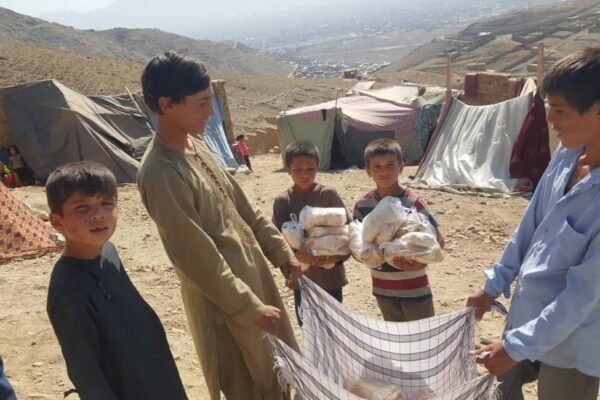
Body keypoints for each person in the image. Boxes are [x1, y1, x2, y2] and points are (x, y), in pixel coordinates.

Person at [137, 51, 301, 400]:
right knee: (249, 384)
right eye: (201, 104)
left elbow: (243, 208)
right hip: (226, 305)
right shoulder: (160, 173)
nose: (210, 113)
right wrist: (248, 308)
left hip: (254, 282)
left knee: (281, 377)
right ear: (167, 104)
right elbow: (196, 259)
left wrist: (280, 253)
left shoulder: (197, 146)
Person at [467, 47, 600, 400]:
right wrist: (493, 285)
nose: (550, 121)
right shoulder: (567, 155)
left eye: (558, 110)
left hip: (574, 345)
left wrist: (514, 347)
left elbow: (582, 295)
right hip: (526, 316)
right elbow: (531, 227)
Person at [45, 161, 187, 400]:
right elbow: (85, 371)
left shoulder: (108, 252)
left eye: (106, 203)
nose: (98, 214)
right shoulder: (68, 290)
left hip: (157, 377)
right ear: (57, 222)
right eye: (82, 207)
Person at [352, 138, 444, 322]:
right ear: (368, 171)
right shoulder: (363, 205)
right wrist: (368, 255)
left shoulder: (413, 201)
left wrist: (421, 263)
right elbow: (356, 241)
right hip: (382, 287)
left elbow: (438, 241)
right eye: (377, 166)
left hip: (415, 287)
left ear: (401, 167)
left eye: (390, 165)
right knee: (396, 342)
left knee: (421, 339)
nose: (384, 171)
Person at [272, 140, 350, 325]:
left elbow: (347, 232)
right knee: (309, 328)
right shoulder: (283, 201)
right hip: (303, 281)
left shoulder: (329, 195)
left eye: (310, 169)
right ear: (287, 169)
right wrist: (298, 256)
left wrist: (336, 258)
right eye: (298, 169)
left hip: (331, 278)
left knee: (334, 327)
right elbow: (275, 241)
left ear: (318, 168)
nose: (305, 174)